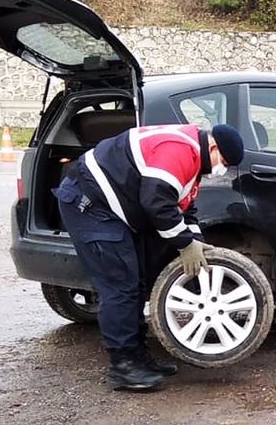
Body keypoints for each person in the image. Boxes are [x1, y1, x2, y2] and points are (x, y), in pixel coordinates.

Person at [52, 123, 244, 390]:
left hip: (112, 211)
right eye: (221, 162)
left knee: (138, 280)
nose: (219, 170)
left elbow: (184, 210)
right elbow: (156, 201)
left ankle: (138, 355)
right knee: (120, 286)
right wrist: (184, 245)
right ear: (212, 147)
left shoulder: (194, 165)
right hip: (90, 205)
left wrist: (197, 242)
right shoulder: (179, 150)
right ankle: (123, 365)